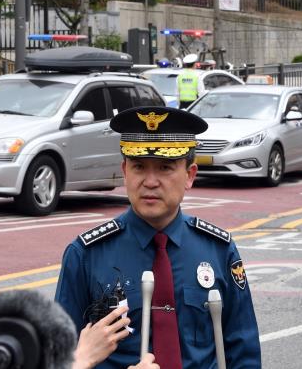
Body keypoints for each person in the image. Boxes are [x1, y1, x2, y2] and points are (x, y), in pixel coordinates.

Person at [55, 106, 261, 368]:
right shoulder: (86, 255)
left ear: (190, 176)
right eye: (139, 166)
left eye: (165, 167)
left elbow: (244, 350)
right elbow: (59, 357)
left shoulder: (218, 250)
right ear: (125, 171)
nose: (150, 181)